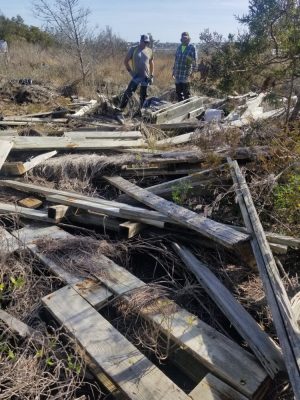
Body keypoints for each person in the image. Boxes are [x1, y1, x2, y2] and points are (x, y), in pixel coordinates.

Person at [119, 34, 154, 112]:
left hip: (146, 77)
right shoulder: (133, 49)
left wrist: (152, 75)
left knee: (143, 96)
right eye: (145, 42)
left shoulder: (149, 50)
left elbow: (151, 62)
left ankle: (141, 112)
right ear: (140, 41)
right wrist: (131, 72)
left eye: (147, 42)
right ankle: (121, 109)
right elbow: (126, 61)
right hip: (136, 76)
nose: (146, 43)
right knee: (128, 92)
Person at [172, 32, 196, 102]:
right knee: (178, 92)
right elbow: (176, 60)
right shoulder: (179, 47)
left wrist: (193, 73)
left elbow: (194, 61)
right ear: (181, 39)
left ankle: (187, 107)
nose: (184, 40)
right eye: (183, 38)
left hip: (186, 74)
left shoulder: (192, 47)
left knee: (186, 93)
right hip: (178, 74)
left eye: (186, 38)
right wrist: (173, 71)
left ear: (188, 39)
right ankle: (180, 106)